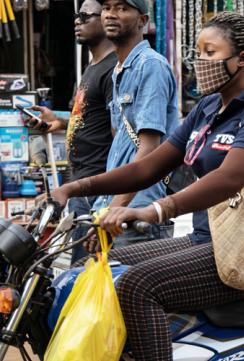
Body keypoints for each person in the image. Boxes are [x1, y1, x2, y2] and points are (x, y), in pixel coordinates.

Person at [49, 12, 244, 361]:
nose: (200, 61)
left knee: (140, 286)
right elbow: (148, 167)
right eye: (198, 51)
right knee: (95, 270)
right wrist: (76, 189)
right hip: (207, 241)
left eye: (211, 53)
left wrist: (153, 209)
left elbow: (229, 179)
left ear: (243, 59)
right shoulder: (205, 110)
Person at [82, 0, 179, 251]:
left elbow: (149, 150)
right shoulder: (119, 70)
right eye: (106, 8)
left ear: (143, 21)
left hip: (138, 214)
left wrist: (113, 210)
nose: (111, 15)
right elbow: (120, 144)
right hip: (115, 210)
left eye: (122, 8)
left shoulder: (151, 66)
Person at [26, 0, 117, 264]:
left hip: (97, 185)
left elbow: (119, 132)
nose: (77, 21)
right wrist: (59, 121)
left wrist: (109, 199)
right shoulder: (92, 66)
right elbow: (92, 115)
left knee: (89, 270)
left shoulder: (112, 69)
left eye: (86, 16)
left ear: (107, 19)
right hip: (81, 183)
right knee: (80, 266)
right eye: (77, 16)